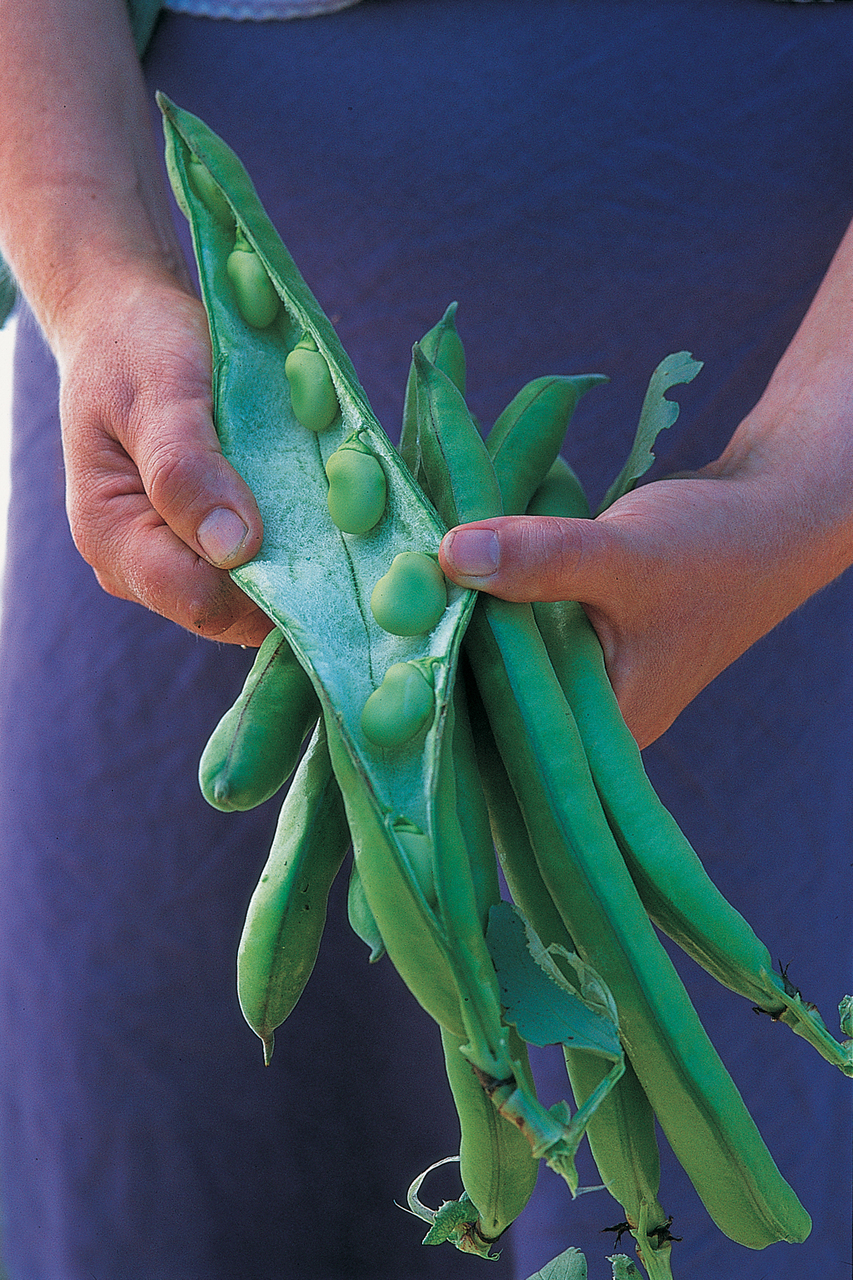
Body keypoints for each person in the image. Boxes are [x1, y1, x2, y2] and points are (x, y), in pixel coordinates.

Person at [0, 1, 850, 1277]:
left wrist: (799, 491)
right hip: (178, 413)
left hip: (794, 418)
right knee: (182, 1145)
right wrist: (87, 257)